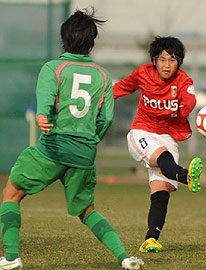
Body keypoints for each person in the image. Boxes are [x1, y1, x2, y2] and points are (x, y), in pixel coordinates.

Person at [0, 9, 143, 270]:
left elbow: (45, 101)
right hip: (84, 153)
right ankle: (125, 258)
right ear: (91, 43)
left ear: (64, 38)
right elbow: (107, 118)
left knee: (11, 194)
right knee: (86, 210)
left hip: (52, 149)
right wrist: (89, 141)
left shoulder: (55, 68)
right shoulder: (102, 75)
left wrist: (43, 117)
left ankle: (11, 258)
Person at [113, 36, 203, 253]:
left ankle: (150, 239)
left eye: (172, 60)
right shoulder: (143, 73)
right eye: (162, 59)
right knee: (165, 159)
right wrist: (99, 101)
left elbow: (190, 99)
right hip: (142, 131)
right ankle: (185, 176)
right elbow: (121, 88)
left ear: (179, 62)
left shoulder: (183, 80)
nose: (166, 65)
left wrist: (184, 108)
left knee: (160, 191)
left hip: (168, 137)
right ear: (154, 60)